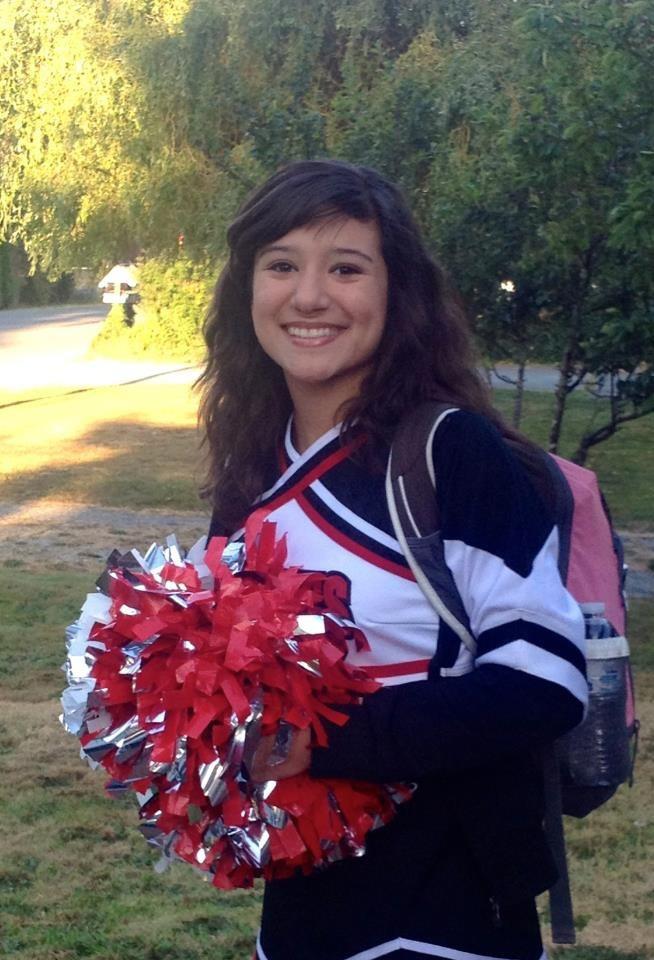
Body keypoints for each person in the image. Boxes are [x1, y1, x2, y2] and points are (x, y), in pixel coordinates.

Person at [198, 160, 587, 960]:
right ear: (247, 288)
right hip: (300, 907)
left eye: (346, 268)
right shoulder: (253, 466)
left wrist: (325, 740)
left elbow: (546, 682)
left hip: (448, 915)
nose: (310, 296)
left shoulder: (449, 451)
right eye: (282, 265)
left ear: (396, 291)